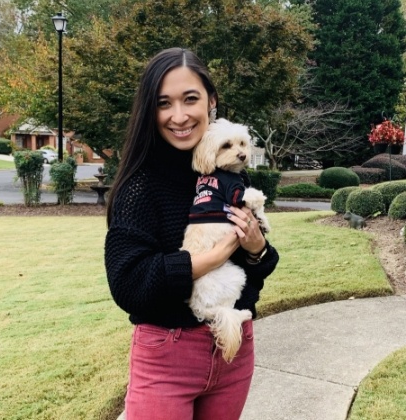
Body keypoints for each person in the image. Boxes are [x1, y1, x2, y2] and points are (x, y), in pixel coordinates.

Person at [105, 47, 279, 420]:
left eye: (190, 99)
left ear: (211, 102)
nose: (179, 116)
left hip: (234, 348)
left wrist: (257, 248)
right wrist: (212, 258)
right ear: (151, 111)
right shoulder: (140, 186)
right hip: (166, 355)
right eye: (164, 103)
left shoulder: (231, 175)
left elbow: (260, 267)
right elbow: (129, 284)